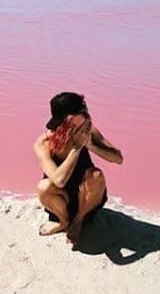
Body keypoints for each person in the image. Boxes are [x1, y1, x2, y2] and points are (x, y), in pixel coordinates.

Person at [33, 92, 123, 245]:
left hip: (88, 199)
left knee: (96, 176)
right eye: (83, 111)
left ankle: (78, 222)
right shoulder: (44, 143)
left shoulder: (89, 131)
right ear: (71, 118)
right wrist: (77, 148)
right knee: (43, 186)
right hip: (60, 200)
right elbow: (59, 181)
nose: (88, 115)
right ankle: (63, 222)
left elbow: (118, 159)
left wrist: (91, 145)